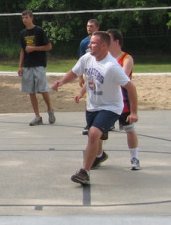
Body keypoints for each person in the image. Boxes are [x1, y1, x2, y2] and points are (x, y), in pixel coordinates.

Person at [51, 31, 139, 185]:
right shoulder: (87, 58)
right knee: (94, 138)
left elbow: (131, 88)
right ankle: (100, 155)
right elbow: (74, 72)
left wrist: (134, 112)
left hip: (111, 107)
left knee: (93, 134)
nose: (89, 45)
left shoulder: (112, 66)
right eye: (90, 42)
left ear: (104, 46)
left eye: (93, 43)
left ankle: (84, 172)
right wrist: (61, 81)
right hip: (93, 106)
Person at [107, 29, 141, 170]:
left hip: (123, 100)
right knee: (98, 131)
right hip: (107, 99)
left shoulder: (126, 58)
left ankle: (135, 158)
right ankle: (98, 155)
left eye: (108, 39)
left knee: (129, 128)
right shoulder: (104, 57)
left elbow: (123, 76)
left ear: (116, 41)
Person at [18, 10, 55, 126]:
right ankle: (37, 116)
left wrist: (34, 48)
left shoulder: (39, 31)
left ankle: (50, 110)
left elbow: (49, 46)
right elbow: (22, 50)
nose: (25, 20)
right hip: (27, 65)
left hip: (39, 64)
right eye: (23, 18)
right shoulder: (22, 33)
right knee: (31, 91)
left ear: (32, 18)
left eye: (27, 17)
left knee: (43, 89)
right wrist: (20, 66)